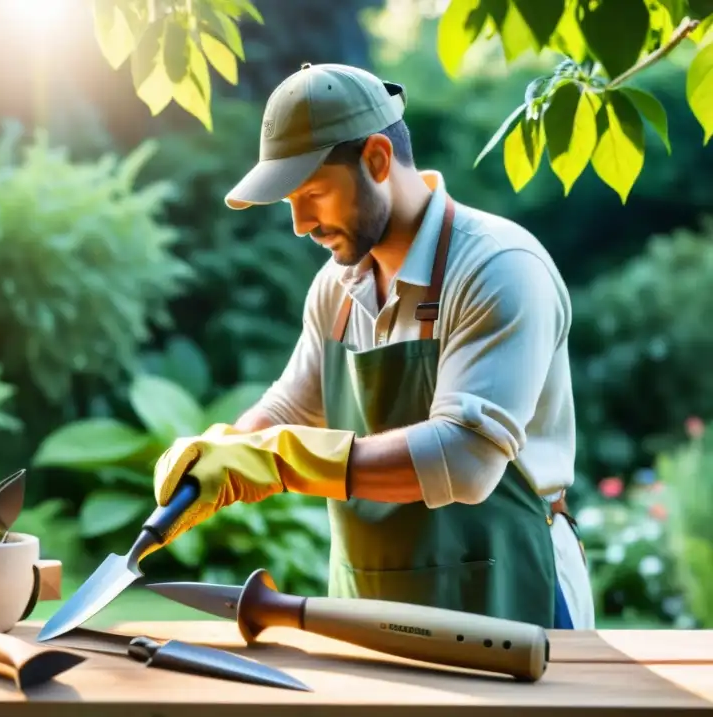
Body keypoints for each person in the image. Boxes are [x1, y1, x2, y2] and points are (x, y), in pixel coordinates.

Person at [152, 62, 595, 630]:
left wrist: (278, 460)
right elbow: (291, 408)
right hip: (369, 604)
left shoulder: (498, 267)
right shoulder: (336, 287)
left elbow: (463, 460)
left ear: (377, 160)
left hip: (508, 591)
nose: (299, 223)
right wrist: (220, 452)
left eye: (312, 192)